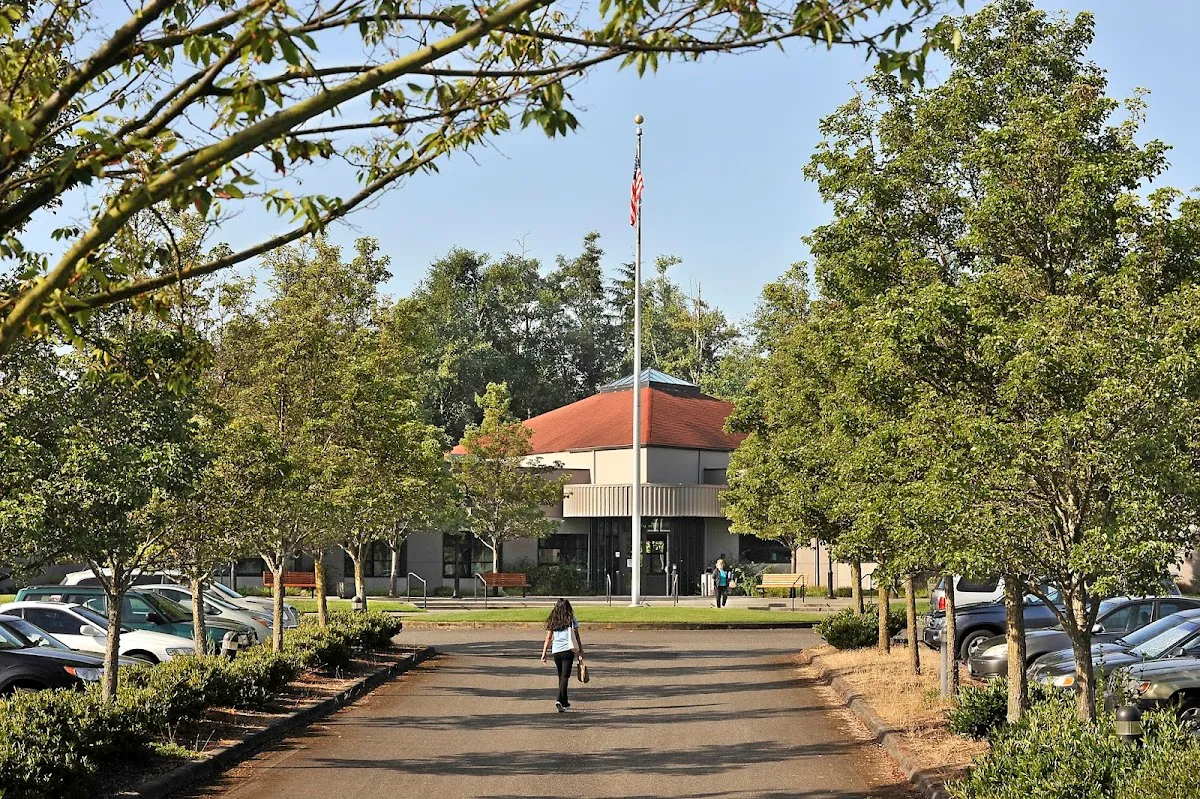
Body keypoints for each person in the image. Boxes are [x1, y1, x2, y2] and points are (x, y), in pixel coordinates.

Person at [541, 598, 584, 712]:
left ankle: (564, 702)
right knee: (565, 677)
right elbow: (576, 635)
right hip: (568, 650)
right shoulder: (571, 619)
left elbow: (548, 637)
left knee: (561, 676)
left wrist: (544, 652)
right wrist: (580, 650)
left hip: (556, 651)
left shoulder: (553, 620)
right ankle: (559, 699)